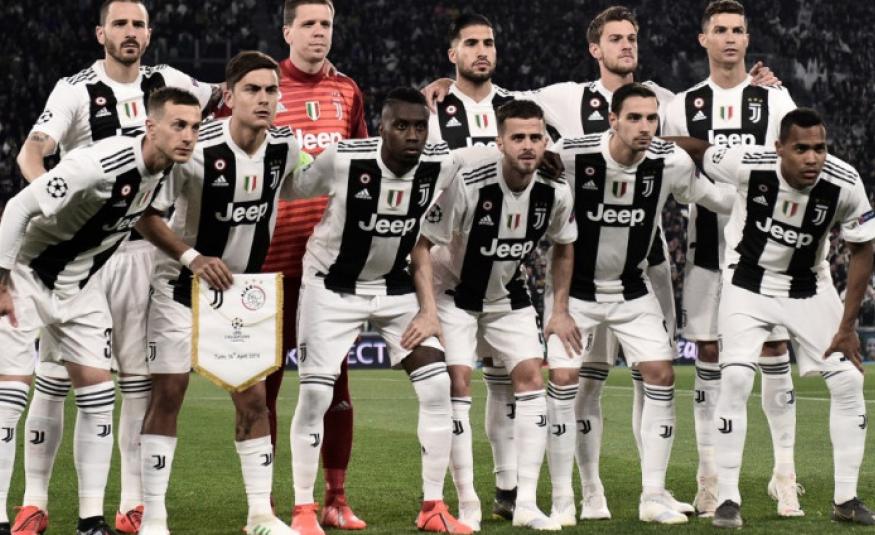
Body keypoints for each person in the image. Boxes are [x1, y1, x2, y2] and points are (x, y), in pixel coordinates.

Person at [12, 1, 216, 532]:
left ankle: (130, 503)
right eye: (120, 23)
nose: (130, 32)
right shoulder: (75, 89)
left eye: (138, 24)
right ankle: (34, 500)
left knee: (136, 382)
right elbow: (32, 153)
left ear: (150, 33)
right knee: (54, 377)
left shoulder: (171, 81)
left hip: (144, 248)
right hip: (80, 252)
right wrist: (50, 203)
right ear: (101, 32)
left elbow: (231, 94)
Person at [672, 108, 875, 528]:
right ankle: (728, 499)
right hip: (747, 282)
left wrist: (847, 326)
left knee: (849, 381)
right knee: (735, 378)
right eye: (801, 148)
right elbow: (698, 148)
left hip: (808, 285)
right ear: (779, 148)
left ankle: (846, 499)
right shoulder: (748, 163)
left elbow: (862, 250)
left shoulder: (845, 182)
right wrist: (646, 146)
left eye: (819, 148)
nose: (812, 158)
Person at [134, 51, 305, 535]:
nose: (264, 99)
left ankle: (260, 515)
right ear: (229, 96)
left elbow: (303, 184)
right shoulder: (197, 147)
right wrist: (192, 257)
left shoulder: (286, 147)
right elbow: (144, 214)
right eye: (252, 90)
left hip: (239, 294)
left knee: (253, 400)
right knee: (169, 393)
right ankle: (154, 517)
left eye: (271, 90)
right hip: (179, 286)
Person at [288, 87, 471, 535]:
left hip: (394, 288)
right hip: (331, 286)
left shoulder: (442, 165)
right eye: (401, 126)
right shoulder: (345, 159)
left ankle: (433, 507)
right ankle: (304, 510)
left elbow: (428, 239)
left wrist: (428, 311)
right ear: (381, 128)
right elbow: (295, 186)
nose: (412, 135)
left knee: (438, 386)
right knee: (315, 395)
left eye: (420, 127)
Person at [549, 83, 733, 525]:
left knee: (661, 374)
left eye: (652, 118)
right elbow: (529, 165)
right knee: (568, 381)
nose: (645, 127)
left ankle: (652, 495)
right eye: (634, 118)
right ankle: (574, 496)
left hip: (633, 289)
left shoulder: (669, 161)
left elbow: (711, 197)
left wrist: (766, 190)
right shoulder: (572, 154)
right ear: (612, 120)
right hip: (578, 292)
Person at [661, 0, 799, 517]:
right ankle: (709, 478)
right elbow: (673, 173)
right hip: (705, 251)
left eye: (737, 30)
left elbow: (792, 165)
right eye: (719, 30)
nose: (730, 38)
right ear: (704, 39)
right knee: (709, 355)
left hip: (767, 253)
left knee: (775, 351)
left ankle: (784, 475)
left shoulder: (774, 98)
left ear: (747, 38)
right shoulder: (682, 105)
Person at [417, 99, 579, 531]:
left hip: (507, 293)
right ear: (500, 142)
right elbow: (423, 243)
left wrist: (560, 309)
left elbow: (565, 246)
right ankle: (468, 501)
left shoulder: (555, 190)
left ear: (546, 141)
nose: (527, 145)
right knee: (458, 382)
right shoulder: (470, 183)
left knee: (531, 379)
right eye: (518, 137)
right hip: (454, 293)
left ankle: (525, 503)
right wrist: (428, 311)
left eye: (535, 137)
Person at [263, 1, 369, 527]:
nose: (319, 33)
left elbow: (364, 164)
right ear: (288, 31)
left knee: (335, 388)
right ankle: (263, 503)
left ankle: (335, 499)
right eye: (308, 24)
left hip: (328, 268)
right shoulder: (263, 87)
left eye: (326, 24)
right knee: (264, 388)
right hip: (268, 265)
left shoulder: (347, 90)